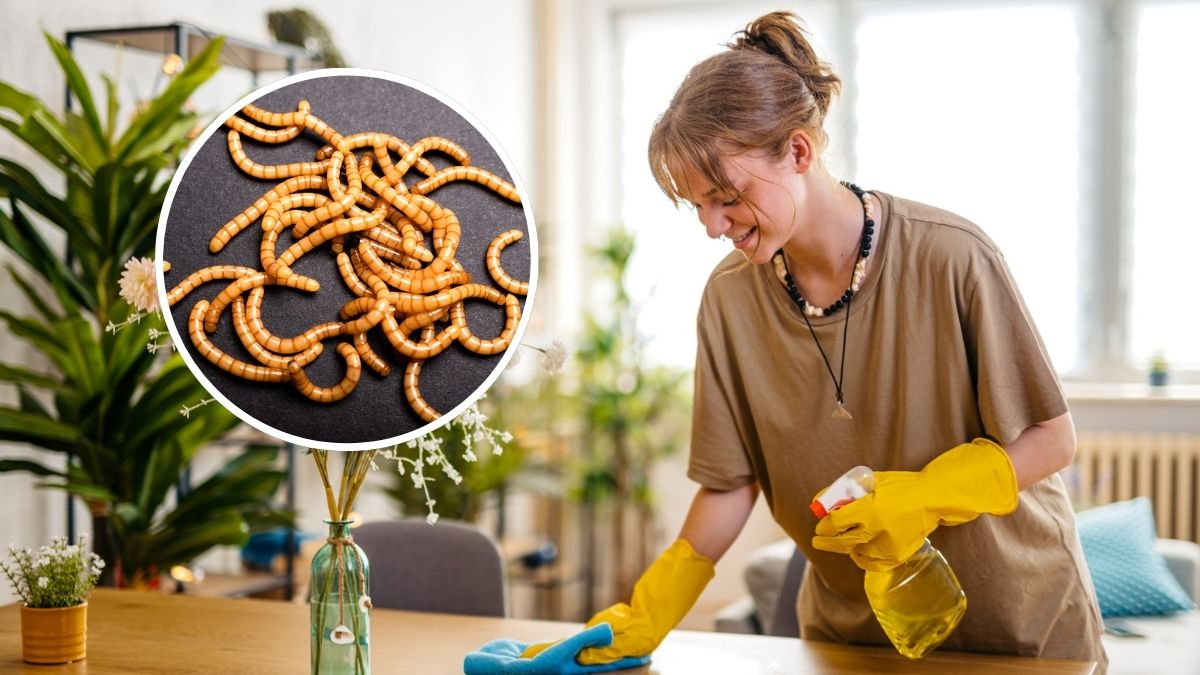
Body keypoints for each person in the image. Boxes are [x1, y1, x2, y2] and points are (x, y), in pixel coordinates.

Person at [511, 9, 1106, 673]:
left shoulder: (953, 257)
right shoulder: (729, 298)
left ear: (798, 151)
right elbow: (728, 482)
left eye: (725, 195)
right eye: (697, 205)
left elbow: (1052, 438)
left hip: (1017, 632)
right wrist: (653, 609)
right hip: (848, 641)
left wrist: (925, 494)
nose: (713, 225)